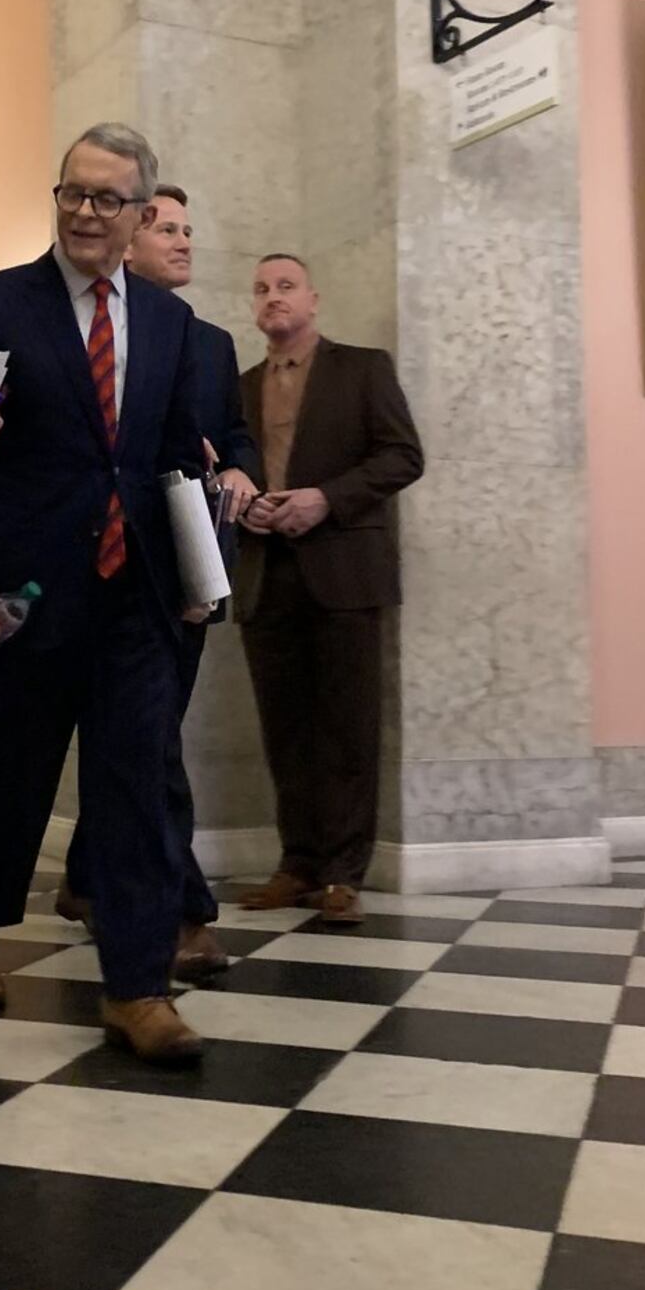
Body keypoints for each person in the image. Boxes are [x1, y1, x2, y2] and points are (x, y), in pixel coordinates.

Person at [0, 125, 209, 1064]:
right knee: (15, 766)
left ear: (140, 215)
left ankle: (138, 986)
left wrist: (199, 580)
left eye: (107, 200)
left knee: (135, 778)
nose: (87, 214)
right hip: (30, 586)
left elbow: (175, 460)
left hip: (138, 590)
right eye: (73, 194)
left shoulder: (172, 326)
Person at [58, 185, 259, 982]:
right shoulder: (81, 327)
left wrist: (240, 466)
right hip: (95, 560)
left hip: (186, 564)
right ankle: (180, 909)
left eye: (188, 229)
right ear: (129, 240)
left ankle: (88, 879)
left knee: (146, 737)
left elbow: (235, 433)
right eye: (166, 228)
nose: (182, 242)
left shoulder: (207, 342)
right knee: (141, 741)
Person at [236, 254, 423, 922]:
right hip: (265, 570)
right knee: (285, 729)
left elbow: (405, 455)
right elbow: (227, 468)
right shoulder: (241, 384)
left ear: (313, 299)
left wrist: (326, 498)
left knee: (348, 728)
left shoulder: (362, 367)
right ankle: (298, 863)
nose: (273, 297)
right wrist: (246, 504)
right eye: (261, 289)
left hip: (344, 569)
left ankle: (345, 874)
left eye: (285, 286)